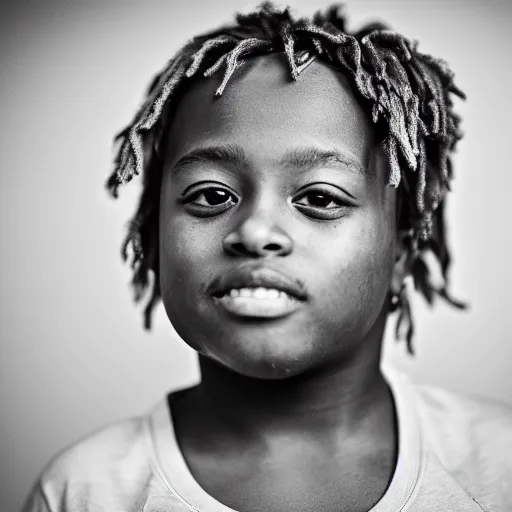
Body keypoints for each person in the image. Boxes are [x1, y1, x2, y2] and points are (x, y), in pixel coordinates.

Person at [21, 3, 512, 511]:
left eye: (320, 198)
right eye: (211, 196)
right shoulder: (84, 491)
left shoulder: (498, 465)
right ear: (152, 238)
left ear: (402, 253)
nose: (255, 232)